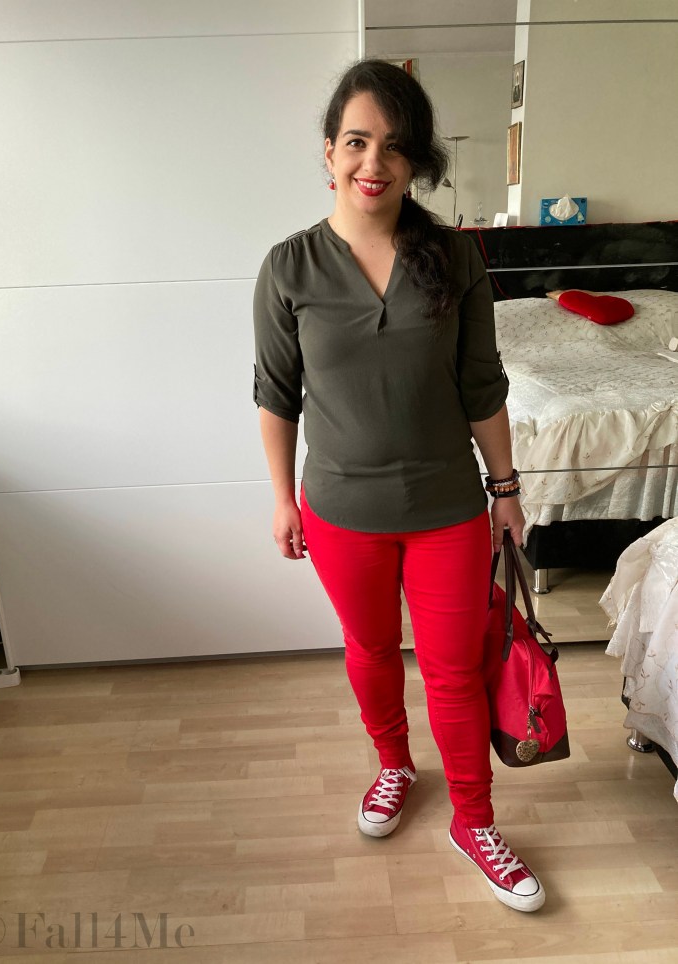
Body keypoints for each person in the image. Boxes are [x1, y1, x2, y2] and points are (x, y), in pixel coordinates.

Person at [252, 59, 545, 913]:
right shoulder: (289, 267)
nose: (371, 161)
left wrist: (506, 489)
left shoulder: (451, 257)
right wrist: (280, 499)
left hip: (447, 509)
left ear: (415, 160)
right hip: (339, 511)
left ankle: (473, 818)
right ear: (328, 151)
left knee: (455, 672)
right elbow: (275, 392)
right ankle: (391, 766)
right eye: (355, 141)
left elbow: (480, 382)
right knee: (371, 651)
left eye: (392, 145)